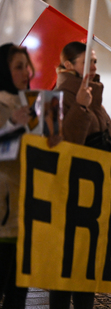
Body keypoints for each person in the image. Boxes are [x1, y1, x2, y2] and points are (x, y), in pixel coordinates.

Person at [50, 42, 111, 309]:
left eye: (95, 61)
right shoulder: (59, 96)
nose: (94, 67)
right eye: (88, 62)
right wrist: (81, 107)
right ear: (68, 66)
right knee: (68, 267)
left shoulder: (92, 94)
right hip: (73, 192)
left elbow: (108, 132)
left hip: (95, 190)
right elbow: (64, 143)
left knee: (88, 265)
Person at [0, 43, 34, 309]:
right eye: (18, 67)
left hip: (26, 213)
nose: (26, 72)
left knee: (18, 296)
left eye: (27, 66)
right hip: (3, 213)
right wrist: (11, 125)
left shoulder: (32, 105)